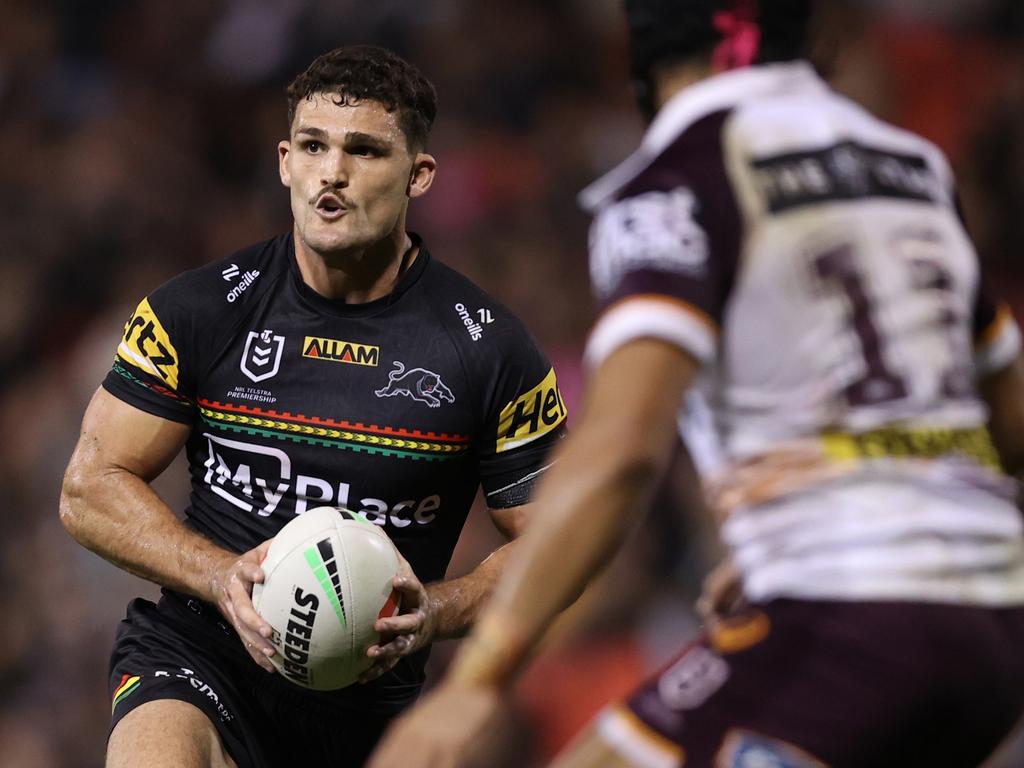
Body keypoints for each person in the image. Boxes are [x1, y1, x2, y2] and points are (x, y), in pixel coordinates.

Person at [368, 1, 1024, 766]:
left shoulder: (675, 182)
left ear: (637, 55)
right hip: (996, 626)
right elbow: (1008, 425)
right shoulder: (913, 169)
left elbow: (621, 455)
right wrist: (819, 515)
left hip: (847, 621)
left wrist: (475, 683)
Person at [58, 44, 567, 768]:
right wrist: (216, 576)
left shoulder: (488, 351)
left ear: (419, 174)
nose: (332, 172)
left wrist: (438, 611)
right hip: (201, 656)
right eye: (313, 146)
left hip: (363, 717)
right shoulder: (200, 310)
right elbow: (88, 489)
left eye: (364, 150)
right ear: (284, 162)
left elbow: (556, 544)